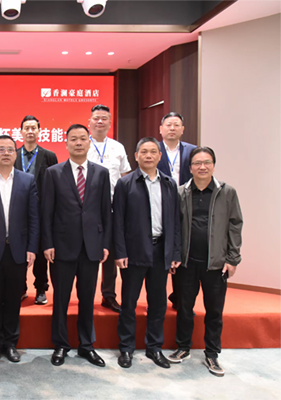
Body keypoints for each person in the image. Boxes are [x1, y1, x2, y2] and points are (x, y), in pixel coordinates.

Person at [167, 147, 243, 377]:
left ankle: (212, 353)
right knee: (184, 308)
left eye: (207, 162)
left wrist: (233, 258)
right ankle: (183, 347)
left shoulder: (227, 192)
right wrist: (174, 255)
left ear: (213, 165)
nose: (202, 167)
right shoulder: (181, 192)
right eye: (197, 163)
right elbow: (173, 226)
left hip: (216, 264)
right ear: (190, 168)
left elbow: (235, 224)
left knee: (214, 311)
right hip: (187, 262)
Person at [42, 124, 112, 367]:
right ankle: (61, 344)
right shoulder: (53, 173)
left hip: (91, 246)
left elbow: (106, 211)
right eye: (74, 139)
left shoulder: (102, 173)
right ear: (66, 143)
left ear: (89, 142)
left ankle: (86, 345)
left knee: (87, 298)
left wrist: (105, 243)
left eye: (83, 138)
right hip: (62, 246)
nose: (79, 142)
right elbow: (46, 211)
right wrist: (47, 243)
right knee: (61, 299)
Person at [113, 137, 181, 370]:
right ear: (136, 156)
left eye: (153, 151)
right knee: (129, 302)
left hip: (161, 250)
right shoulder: (125, 184)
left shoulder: (169, 184)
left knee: (158, 302)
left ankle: (154, 347)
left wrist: (175, 252)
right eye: (144, 151)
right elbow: (117, 220)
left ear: (160, 156)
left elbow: (175, 222)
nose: (149, 155)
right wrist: (120, 251)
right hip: (133, 251)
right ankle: (126, 348)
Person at [0, 135, 39, 363]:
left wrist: (32, 247)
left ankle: (11, 343)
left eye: (10, 149)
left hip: (18, 250)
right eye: (0, 149)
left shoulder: (27, 180)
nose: (5, 153)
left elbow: (34, 218)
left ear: (16, 154)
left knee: (13, 299)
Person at [86, 104, 132, 314]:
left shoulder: (117, 147)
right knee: (88, 252)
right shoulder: (83, 145)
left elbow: (125, 176)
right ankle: (86, 294)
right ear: (89, 122)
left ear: (110, 123)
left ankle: (109, 294)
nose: (100, 121)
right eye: (96, 118)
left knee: (111, 251)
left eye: (104, 118)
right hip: (89, 208)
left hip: (113, 207)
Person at [155, 112, 197, 310]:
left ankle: (179, 297)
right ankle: (158, 299)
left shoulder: (192, 151)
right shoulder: (153, 149)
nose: (172, 128)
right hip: (159, 205)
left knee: (183, 249)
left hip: (186, 205)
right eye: (168, 125)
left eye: (176, 125)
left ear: (182, 129)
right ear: (160, 129)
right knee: (162, 250)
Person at [14, 115, 58, 305]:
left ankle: (41, 288)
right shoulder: (14, 154)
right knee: (18, 251)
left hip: (40, 210)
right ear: (21, 132)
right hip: (17, 211)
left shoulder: (49, 156)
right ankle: (21, 288)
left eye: (34, 128)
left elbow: (55, 183)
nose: (30, 131)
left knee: (40, 253)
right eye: (27, 128)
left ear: (39, 131)